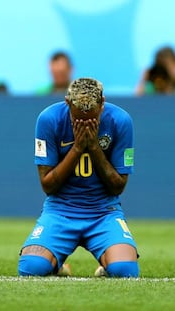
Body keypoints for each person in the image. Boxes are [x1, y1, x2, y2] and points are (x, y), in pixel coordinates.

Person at [18, 77, 139, 278]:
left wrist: (93, 147)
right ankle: (58, 266)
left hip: (104, 212)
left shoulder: (121, 121)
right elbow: (47, 185)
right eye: (78, 120)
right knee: (31, 268)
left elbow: (118, 186)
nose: (84, 124)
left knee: (125, 270)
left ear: (102, 104)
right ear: (67, 103)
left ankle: (107, 265)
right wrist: (77, 148)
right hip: (60, 210)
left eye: (91, 120)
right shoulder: (49, 119)